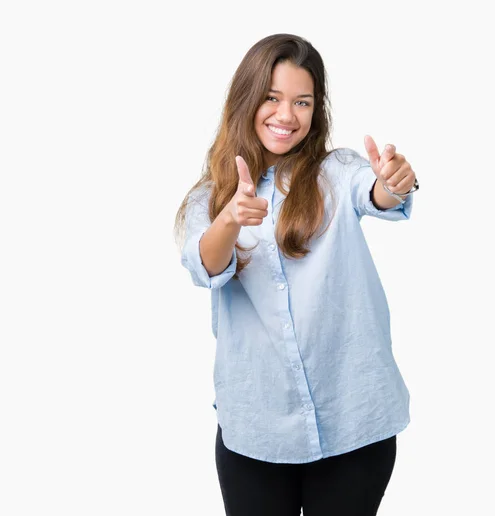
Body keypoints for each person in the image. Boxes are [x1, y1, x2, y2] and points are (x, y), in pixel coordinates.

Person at [174, 33, 418, 516]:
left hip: (355, 422)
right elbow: (206, 266)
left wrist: (394, 182)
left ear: (316, 110)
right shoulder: (210, 198)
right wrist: (230, 218)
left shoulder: (337, 170)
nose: (287, 115)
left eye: (302, 102)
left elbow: (376, 193)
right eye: (272, 98)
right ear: (247, 100)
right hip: (256, 431)